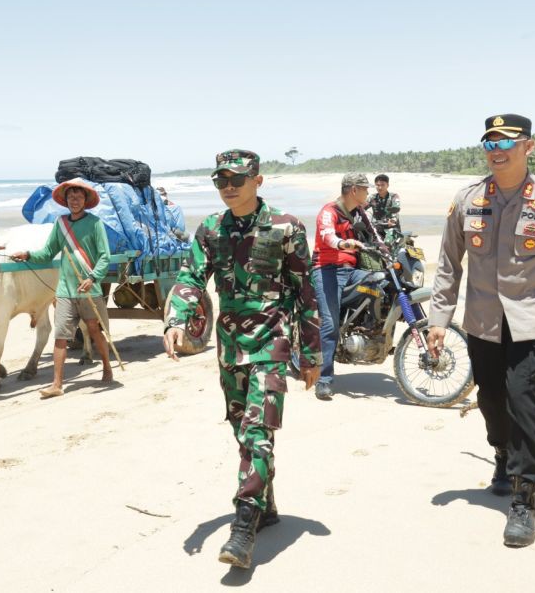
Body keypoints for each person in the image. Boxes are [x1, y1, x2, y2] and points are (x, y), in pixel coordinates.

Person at [427, 114, 535, 548]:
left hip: (532, 324)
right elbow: (447, 265)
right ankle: (500, 452)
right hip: (482, 323)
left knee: (525, 405)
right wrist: (438, 321)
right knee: (493, 403)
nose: (496, 151)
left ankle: (525, 496)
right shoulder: (467, 200)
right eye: (489, 144)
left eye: (506, 144)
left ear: (528, 147)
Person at [163, 150, 321, 569]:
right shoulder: (211, 230)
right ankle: (266, 506)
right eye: (221, 181)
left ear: (258, 180)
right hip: (230, 348)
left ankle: (243, 527)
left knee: (258, 431)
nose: (228, 186)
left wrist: (312, 353)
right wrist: (176, 319)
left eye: (236, 178)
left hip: (272, 345)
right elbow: (191, 278)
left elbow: (305, 292)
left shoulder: (287, 227)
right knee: (241, 430)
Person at [11, 178, 113, 398]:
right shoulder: (61, 224)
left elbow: (105, 256)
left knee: (95, 331)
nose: (74, 200)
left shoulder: (95, 224)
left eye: (79, 197)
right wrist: (27, 254)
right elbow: (48, 252)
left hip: (89, 290)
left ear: (85, 200)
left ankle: (106, 368)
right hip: (65, 290)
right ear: (66, 201)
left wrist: (93, 278)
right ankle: (57, 384)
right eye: (71, 197)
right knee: (61, 337)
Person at [310, 172, 383, 400]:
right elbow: (328, 236)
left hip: (351, 271)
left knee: (380, 281)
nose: (368, 192)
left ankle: (367, 328)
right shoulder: (328, 212)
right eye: (365, 189)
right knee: (330, 325)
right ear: (354, 190)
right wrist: (343, 243)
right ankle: (324, 379)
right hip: (326, 270)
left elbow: (375, 235)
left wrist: (388, 246)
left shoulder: (360, 212)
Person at [365, 173, 402, 242]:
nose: (380, 187)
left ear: (387, 185)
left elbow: (396, 209)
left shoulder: (394, 196)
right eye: (378, 185)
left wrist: (393, 220)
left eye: (382, 185)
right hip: (377, 227)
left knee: (388, 242)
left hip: (391, 227)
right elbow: (362, 207)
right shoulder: (372, 197)